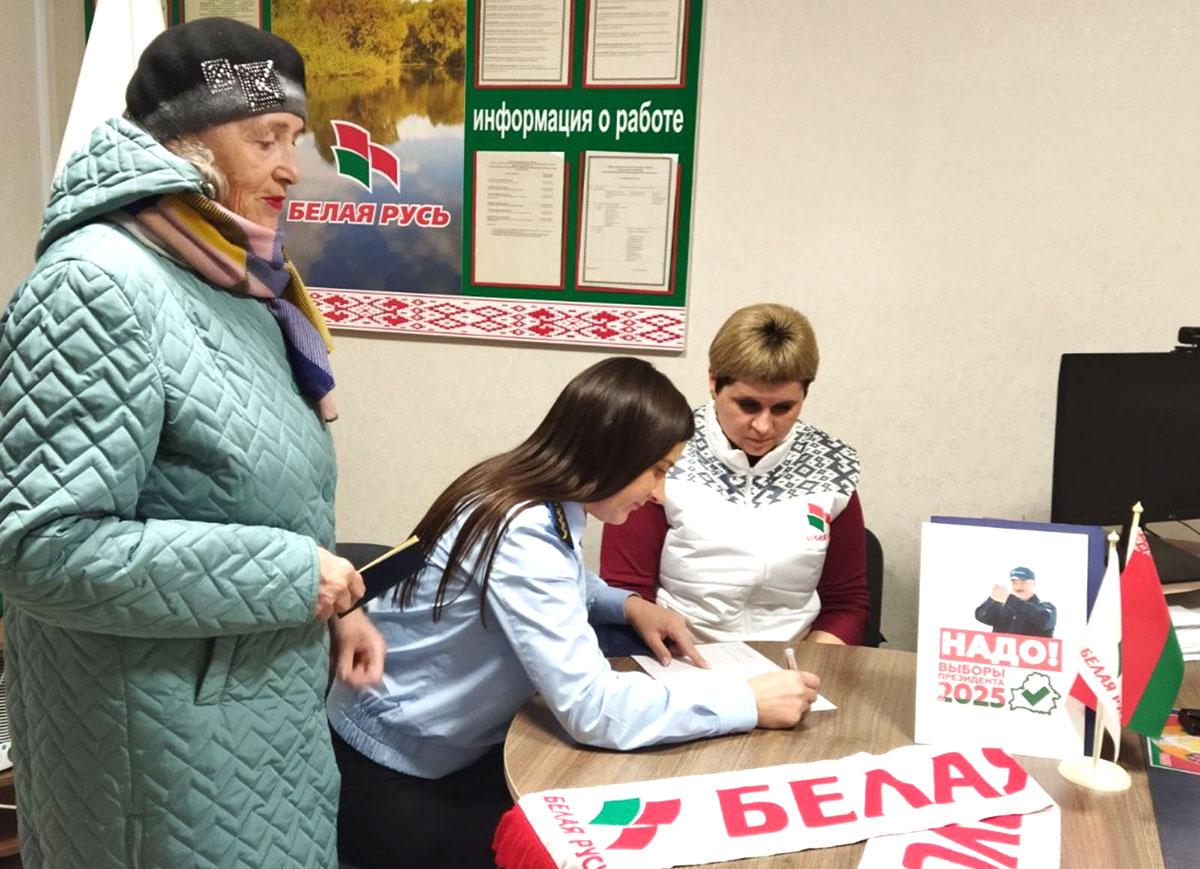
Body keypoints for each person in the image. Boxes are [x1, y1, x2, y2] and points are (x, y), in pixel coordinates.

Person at [0, 18, 384, 868]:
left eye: (294, 137)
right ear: (185, 141)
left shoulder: (224, 272)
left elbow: (239, 495)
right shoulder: (96, 285)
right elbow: (40, 550)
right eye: (264, 138)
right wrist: (292, 577)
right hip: (155, 760)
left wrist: (335, 607)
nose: (291, 166)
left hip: (246, 725)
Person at [326, 357, 821, 868]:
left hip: (440, 750)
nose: (657, 492)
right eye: (657, 470)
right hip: (394, 776)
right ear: (612, 453)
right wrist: (745, 702)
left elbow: (563, 580)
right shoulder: (523, 533)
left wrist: (626, 604)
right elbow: (592, 709)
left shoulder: (523, 494)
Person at [601, 303, 869, 644]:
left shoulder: (831, 467)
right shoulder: (659, 455)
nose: (763, 426)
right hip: (681, 654)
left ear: (805, 393)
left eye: (783, 408)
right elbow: (626, 592)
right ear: (714, 382)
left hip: (792, 657)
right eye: (747, 405)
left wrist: (812, 662)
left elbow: (845, 603)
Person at [974, 566, 1057, 637]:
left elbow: (1045, 621)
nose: (1018, 587)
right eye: (1014, 583)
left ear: (1034, 583)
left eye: (1023, 582)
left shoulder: (1045, 607)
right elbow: (982, 616)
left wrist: (1010, 600)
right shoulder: (1003, 607)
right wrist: (992, 599)